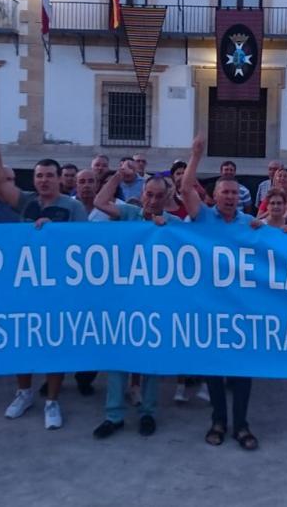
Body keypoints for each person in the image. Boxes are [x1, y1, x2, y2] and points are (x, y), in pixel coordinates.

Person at [0, 140, 89, 429]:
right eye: (39, 176)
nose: (44, 180)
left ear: (59, 179)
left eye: (49, 175)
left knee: (54, 344)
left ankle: (52, 400)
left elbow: (86, 244)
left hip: (58, 290)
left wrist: (54, 234)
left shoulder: (74, 207)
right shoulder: (27, 202)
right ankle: (24, 393)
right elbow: (1, 186)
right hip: (25, 286)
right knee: (23, 339)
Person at [180, 135, 263, 451]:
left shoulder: (249, 223)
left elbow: (281, 248)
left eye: (234, 193)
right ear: (214, 197)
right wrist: (195, 156)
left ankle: (241, 425)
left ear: (240, 198)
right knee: (214, 368)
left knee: (242, 369)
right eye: (224, 192)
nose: (229, 197)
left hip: (242, 308)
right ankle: (218, 420)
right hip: (210, 307)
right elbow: (186, 189)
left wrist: (278, 230)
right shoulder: (203, 217)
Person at [91, 172, 180, 438]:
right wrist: (119, 175)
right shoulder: (128, 213)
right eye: (148, 194)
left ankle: (148, 413)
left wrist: (168, 231)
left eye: (158, 195)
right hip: (124, 301)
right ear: (142, 194)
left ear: (167, 198)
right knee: (119, 358)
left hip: (155, 303)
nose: (153, 200)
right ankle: (114, 415)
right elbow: (99, 201)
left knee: (150, 361)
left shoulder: (174, 223)